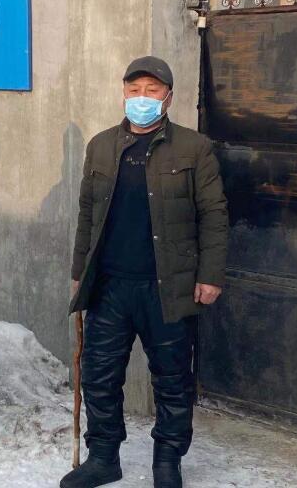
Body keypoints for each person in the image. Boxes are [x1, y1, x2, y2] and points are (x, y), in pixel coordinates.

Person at [61, 56, 227, 488]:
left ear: (168, 97)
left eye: (152, 90)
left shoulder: (193, 148)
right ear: (124, 93)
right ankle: (103, 458)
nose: (142, 98)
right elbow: (87, 215)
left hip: (168, 287)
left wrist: (210, 275)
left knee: (172, 380)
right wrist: (80, 271)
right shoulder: (101, 146)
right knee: (100, 376)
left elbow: (213, 214)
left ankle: (167, 462)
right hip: (110, 286)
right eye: (134, 89)